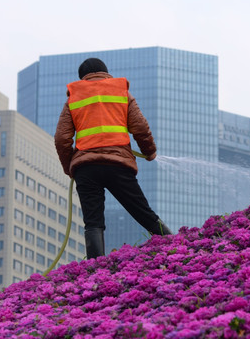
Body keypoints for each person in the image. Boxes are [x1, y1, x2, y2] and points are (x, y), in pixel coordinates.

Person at [54, 58, 172, 259]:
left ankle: (95, 269)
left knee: (93, 222)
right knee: (143, 211)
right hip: (118, 165)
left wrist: (69, 167)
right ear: (106, 73)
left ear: (82, 77)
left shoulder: (73, 97)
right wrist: (149, 151)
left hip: (86, 169)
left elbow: (62, 138)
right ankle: (175, 244)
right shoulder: (121, 92)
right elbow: (140, 127)